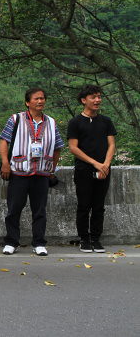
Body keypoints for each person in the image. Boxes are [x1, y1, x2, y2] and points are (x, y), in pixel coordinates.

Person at [0, 88, 63, 256]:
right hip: (19, 171)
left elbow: (58, 147)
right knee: (14, 209)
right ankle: (12, 242)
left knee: (40, 210)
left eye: (42, 98)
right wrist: (5, 163)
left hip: (41, 173)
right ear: (28, 102)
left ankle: (39, 243)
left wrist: (52, 168)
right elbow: (4, 141)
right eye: (36, 99)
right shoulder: (16, 119)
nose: (40, 101)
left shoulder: (51, 122)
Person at [67, 85, 116, 253]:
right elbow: (73, 147)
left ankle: (96, 238)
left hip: (104, 169)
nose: (97, 100)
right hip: (84, 170)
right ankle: (84, 239)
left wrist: (105, 165)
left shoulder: (106, 121)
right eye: (93, 97)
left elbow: (111, 144)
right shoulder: (75, 122)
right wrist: (95, 163)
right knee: (84, 205)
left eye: (99, 97)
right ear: (83, 100)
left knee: (99, 205)